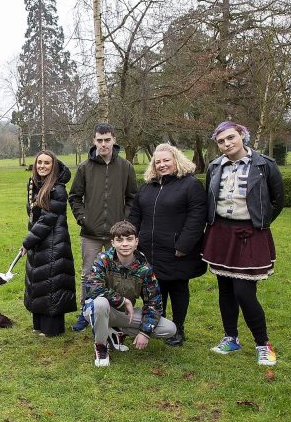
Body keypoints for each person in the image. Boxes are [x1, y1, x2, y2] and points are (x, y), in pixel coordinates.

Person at [203, 121, 284, 366]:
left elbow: (277, 201)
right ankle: (231, 337)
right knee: (226, 290)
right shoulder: (215, 166)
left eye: (231, 138)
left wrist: (258, 223)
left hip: (250, 233)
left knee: (244, 292)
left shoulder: (265, 165)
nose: (227, 144)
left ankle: (263, 344)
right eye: (221, 141)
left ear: (242, 135)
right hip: (220, 232)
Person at [128, 143, 207, 346]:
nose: (162, 165)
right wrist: (131, 238)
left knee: (178, 288)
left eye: (166, 161)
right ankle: (157, 326)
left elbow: (197, 218)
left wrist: (183, 245)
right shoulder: (147, 187)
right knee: (155, 289)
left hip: (176, 250)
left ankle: (178, 329)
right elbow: (135, 214)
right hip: (150, 249)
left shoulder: (190, 185)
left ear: (176, 161)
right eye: (158, 161)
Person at [68, 123, 138, 332]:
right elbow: (74, 197)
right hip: (91, 233)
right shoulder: (84, 167)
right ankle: (85, 311)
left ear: (114, 140)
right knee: (89, 273)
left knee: (115, 273)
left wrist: (123, 224)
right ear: (94, 141)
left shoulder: (125, 167)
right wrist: (83, 218)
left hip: (117, 235)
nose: (103, 144)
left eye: (107, 140)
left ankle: (115, 313)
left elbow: (132, 198)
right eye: (99, 140)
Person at [83, 221, 176, 367]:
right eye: (119, 240)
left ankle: (116, 332)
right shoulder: (103, 260)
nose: (125, 244)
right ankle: (101, 346)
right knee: (100, 303)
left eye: (129, 239)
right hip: (98, 311)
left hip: (124, 315)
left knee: (169, 329)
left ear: (136, 241)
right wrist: (122, 300)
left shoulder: (144, 268)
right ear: (112, 242)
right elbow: (93, 287)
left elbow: (154, 302)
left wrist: (145, 332)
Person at [21, 150, 77, 337]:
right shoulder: (36, 185)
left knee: (51, 284)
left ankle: (52, 328)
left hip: (54, 242)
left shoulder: (57, 189)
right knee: (39, 283)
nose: (42, 166)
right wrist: (32, 240)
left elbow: (47, 219)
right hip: (39, 240)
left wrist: (27, 242)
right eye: (39, 163)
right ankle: (39, 325)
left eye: (47, 163)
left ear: (53, 166)